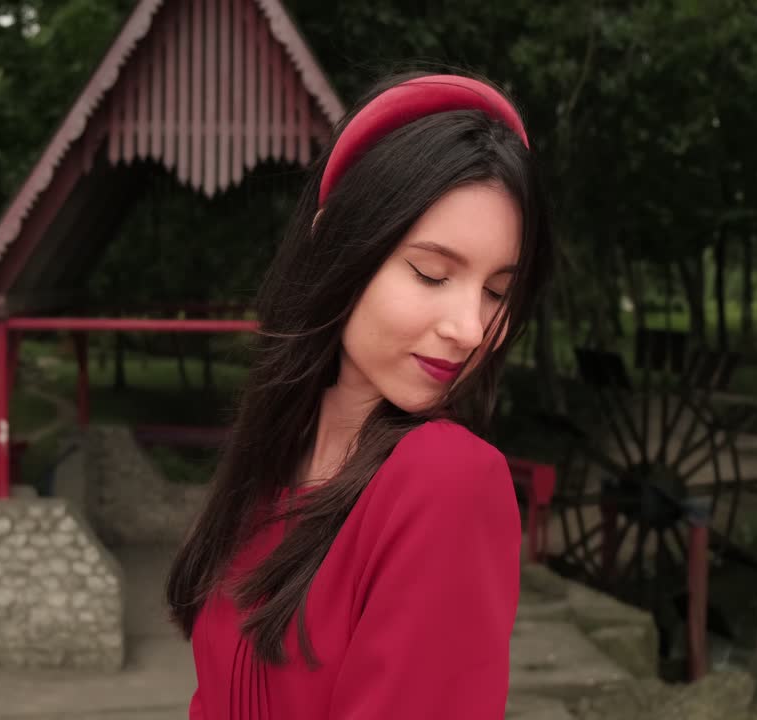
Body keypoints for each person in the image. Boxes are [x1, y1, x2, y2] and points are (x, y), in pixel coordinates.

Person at [166, 71, 553, 719]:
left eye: (496, 292)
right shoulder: (272, 467)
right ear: (338, 246)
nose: (469, 329)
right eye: (432, 273)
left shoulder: (447, 482)